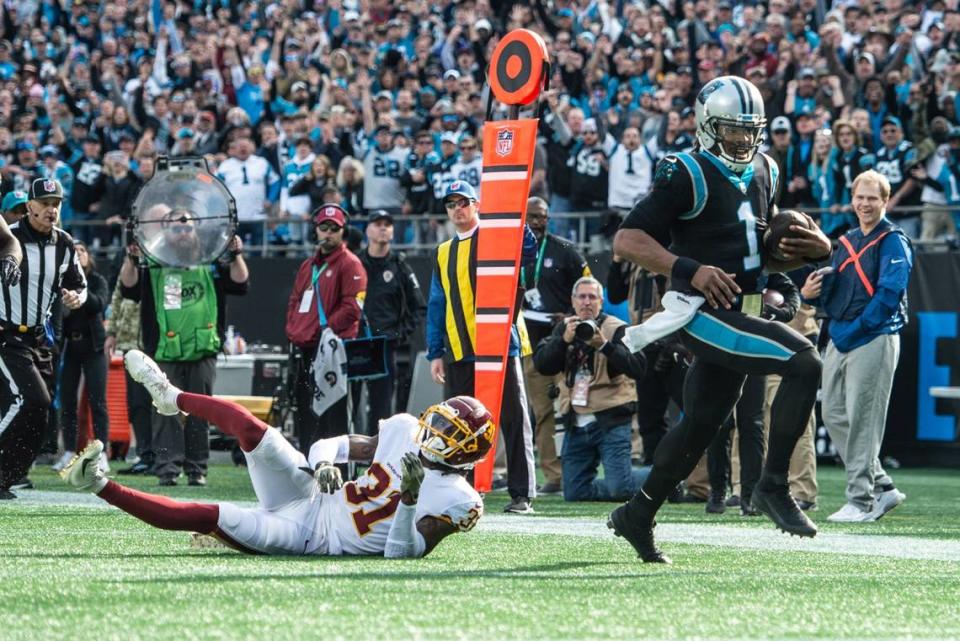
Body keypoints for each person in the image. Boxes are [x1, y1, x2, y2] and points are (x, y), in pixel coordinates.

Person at [609, 76, 832, 562]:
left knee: (700, 426)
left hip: (743, 310)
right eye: (733, 131)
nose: (743, 141)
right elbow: (627, 240)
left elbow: (757, 246)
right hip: (699, 313)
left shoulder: (765, 169)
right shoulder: (684, 170)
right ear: (708, 126)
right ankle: (772, 486)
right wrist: (687, 268)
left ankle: (636, 516)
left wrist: (809, 259)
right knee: (804, 361)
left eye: (751, 131)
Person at [61, 349, 488, 559]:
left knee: (211, 515)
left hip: (313, 539)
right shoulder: (402, 429)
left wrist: (410, 498)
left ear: (466, 450)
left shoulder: (460, 500)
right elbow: (332, 444)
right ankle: (172, 396)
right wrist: (322, 465)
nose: (435, 429)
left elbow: (401, 555)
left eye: (449, 430)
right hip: (313, 494)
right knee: (252, 429)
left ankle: (97, 483)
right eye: (440, 419)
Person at [800, 170, 912, 523]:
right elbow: (837, 292)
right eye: (860, 197)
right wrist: (813, 291)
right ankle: (882, 486)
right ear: (852, 200)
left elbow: (889, 294)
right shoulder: (846, 240)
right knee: (833, 413)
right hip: (841, 335)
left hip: (873, 337)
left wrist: (858, 328)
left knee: (863, 419)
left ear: (885, 200)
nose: (865, 204)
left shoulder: (894, 239)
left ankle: (861, 500)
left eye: (872, 198)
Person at [426, 181, 537, 514]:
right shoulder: (443, 251)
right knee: (459, 424)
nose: (457, 209)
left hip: (501, 346)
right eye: (451, 204)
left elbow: (527, 254)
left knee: (514, 419)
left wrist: (518, 221)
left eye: (463, 202)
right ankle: (466, 488)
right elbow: (437, 303)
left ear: (476, 205)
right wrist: (434, 352)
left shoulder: (494, 237)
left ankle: (522, 493)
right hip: (459, 348)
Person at [118, 224, 249, 487]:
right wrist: (131, 258)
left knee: (200, 411)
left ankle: (196, 469)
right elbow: (128, 288)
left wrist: (236, 254)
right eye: (176, 228)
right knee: (164, 411)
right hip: (165, 351)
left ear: (196, 233)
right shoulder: (154, 264)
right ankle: (167, 468)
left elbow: (240, 282)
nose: (183, 233)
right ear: (167, 234)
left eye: (188, 227)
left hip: (202, 351)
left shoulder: (210, 262)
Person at [0, 178, 82, 500]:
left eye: (56, 204)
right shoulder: (8, 237)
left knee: (41, 415)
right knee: (30, 401)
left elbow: (80, 283)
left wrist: (77, 297)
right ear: (29, 208)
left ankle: (7, 477)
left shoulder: (64, 243)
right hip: (6, 334)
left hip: (39, 340)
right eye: (44, 203)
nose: (51, 210)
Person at [533, 277, 646, 501]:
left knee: (620, 491)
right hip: (576, 419)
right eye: (581, 297)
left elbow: (639, 367)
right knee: (574, 493)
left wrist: (604, 345)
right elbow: (543, 365)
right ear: (573, 301)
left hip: (611, 417)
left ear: (601, 302)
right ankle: (628, 480)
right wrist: (562, 341)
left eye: (592, 297)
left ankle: (660, 478)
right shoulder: (565, 328)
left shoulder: (615, 328)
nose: (586, 302)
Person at [521, 196, 591, 495]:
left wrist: (573, 314)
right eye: (532, 217)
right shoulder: (512, 251)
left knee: (575, 407)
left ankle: (579, 469)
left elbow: (589, 288)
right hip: (531, 344)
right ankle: (553, 474)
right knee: (542, 411)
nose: (537, 222)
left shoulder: (565, 250)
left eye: (542, 217)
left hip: (565, 344)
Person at [285, 204, 366, 455]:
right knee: (307, 410)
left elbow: (353, 308)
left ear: (344, 232)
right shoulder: (308, 266)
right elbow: (295, 301)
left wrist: (324, 332)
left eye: (334, 229)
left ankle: (338, 469)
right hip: (306, 348)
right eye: (324, 228)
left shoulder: (350, 264)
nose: (329, 233)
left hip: (333, 352)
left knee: (333, 413)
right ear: (316, 230)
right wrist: (294, 330)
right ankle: (310, 462)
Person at [357, 210, 425, 429]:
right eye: (378, 224)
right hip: (355, 344)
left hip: (384, 346)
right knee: (351, 403)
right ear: (367, 230)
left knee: (382, 407)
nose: (383, 228)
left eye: (388, 224)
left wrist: (398, 334)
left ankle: (377, 456)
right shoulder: (355, 263)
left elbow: (419, 307)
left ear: (393, 231)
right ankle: (348, 456)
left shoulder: (400, 265)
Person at [56, 241, 111, 473]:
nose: (78, 254)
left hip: (94, 347)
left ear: (88, 256)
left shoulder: (97, 280)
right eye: (74, 251)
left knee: (98, 401)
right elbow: (58, 313)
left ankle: (102, 452)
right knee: (67, 400)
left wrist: (80, 295)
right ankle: (69, 450)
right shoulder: (63, 283)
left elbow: (99, 303)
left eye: (82, 251)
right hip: (71, 345)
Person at [105, 281, 152, 475]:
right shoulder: (129, 265)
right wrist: (112, 332)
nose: (134, 247)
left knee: (161, 404)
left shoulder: (162, 259)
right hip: (130, 343)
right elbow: (117, 299)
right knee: (137, 404)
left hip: (158, 345)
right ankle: (146, 455)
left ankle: (167, 456)